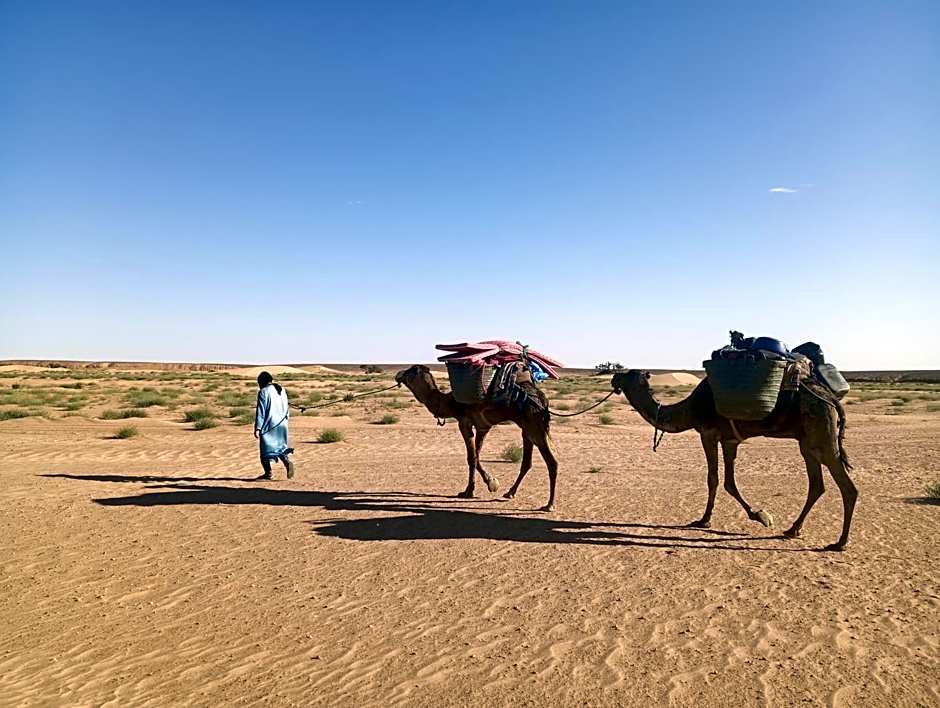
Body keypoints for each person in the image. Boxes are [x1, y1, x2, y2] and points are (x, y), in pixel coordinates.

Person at [254, 371, 295, 480]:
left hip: (269, 425)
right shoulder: (281, 390)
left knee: (265, 451)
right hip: (282, 424)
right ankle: (287, 462)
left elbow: (261, 411)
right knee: (280, 447)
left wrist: (258, 428)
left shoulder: (263, 391)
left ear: (261, 382)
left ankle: (268, 473)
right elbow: (286, 408)